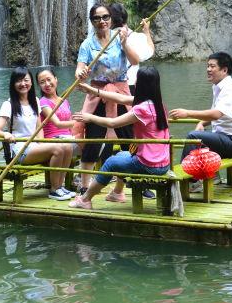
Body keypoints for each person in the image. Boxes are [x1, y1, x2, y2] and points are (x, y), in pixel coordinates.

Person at [68, 67, 171, 209]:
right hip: (163, 163)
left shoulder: (142, 109)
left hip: (149, 165)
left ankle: (85, 199)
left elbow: (112, 122)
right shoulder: (158, 105)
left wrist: (89, 117)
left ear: (140, 84)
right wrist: (93, 91)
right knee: (122, 154)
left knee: (111, 162)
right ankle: (117, 193)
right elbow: (121, 98)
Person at [72, 3, 141, 192]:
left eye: (105, 17)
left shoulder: (119, 37)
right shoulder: (87, 44)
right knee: (93, 140)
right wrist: (81, 73)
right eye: (97, 18)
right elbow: (80, 67)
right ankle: (84, 187)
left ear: (111, 19)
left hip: (120, 92)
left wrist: (125, 43)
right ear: (92, 21)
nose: (101, 21)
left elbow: (135, 61)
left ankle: (122, 188)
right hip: (97, 94)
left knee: (128, 140)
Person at [169, 52, 232, 192]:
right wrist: (202, 123)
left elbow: (216, 114)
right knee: (197, 136)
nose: (208, 69)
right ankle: (212, 176)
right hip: (228, 139)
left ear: (224, 70)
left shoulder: (230, 89)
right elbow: (216, 114)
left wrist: (187, 113)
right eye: (207, 66)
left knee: (193, 137)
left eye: (212, 66)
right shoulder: (219, 87)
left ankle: (189, 181)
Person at [0, 66, 75, 201]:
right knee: (58, 148)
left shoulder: (35, 101)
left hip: (34, 147)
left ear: (31, 82)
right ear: (13, 84)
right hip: (20, 150)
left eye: (26, 80)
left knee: (67, 146)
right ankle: (54, 190)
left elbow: (39, 127)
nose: (23, 84)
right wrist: (5, 135)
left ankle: (60, 186)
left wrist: (41, 143)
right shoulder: (8, 104)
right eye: (18, 81)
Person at [109, 2, 156, 198]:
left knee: (123, 136)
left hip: (111, 89)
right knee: (134, 135)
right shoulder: (135, 36)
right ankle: (134, 181)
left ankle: (125, 179)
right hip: (133, 89)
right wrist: (147, 32)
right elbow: (149, 52)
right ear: (126, 18)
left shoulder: (104, 38)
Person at [37, 68, 77, 149]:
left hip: (68, 138)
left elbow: (70, 126)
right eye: (42, 82)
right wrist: (84, 121)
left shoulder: (64, 101)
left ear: (55, 79)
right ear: (39, 86)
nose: (47, 84)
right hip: (54, 139)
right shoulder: (42, 102)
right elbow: (58, 124)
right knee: (91, 146)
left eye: (49, 79)